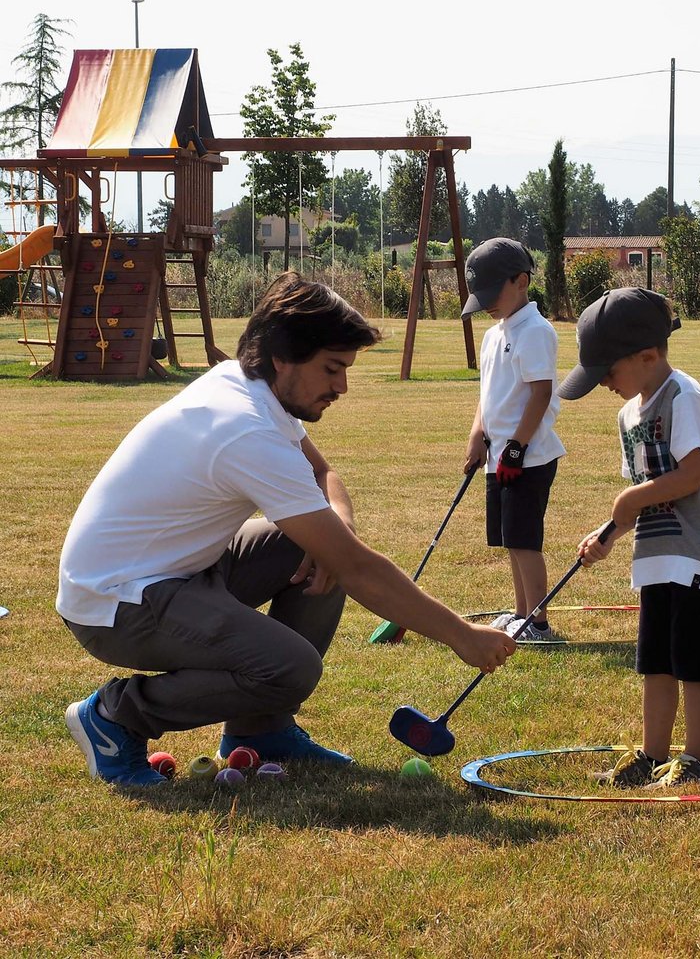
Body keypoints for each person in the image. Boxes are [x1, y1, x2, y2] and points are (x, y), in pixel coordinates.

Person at [58, 272, 516, 787]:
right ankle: (113, 719)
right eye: (332, 369)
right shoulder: (244, 426)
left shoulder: (251, 385)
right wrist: (463, 636)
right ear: (283, 358)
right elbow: (361, 569)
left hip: (172, 572)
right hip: (113, 603)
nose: (341, 386)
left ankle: (259, 730)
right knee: (291, 667)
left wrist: (335, 529)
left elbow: (324, 474)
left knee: (319, 546)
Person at [558, 288, 700, 787]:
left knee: (694, 662)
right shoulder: (629, 416)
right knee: (655, 661)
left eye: (608, 373)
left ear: (648, 355)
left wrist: (629, 504)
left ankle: (698, 762)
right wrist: (611, 533)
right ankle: (652, 754)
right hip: (660, 556)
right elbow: (640, 491)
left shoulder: (684, 399)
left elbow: (691, 475)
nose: (604, 386)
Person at [461, 237, 565, 642]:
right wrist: (477, 434)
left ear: (521, 281)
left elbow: (540, 395)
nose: (486, 304)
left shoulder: (535, 332)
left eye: (492, 293)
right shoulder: (493, 334)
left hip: (528, 457)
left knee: (525, 540)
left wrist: (517, 449)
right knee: (509, 539)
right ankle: (520, 613)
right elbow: (487, 394)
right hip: (498, 454)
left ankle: (538, 623)